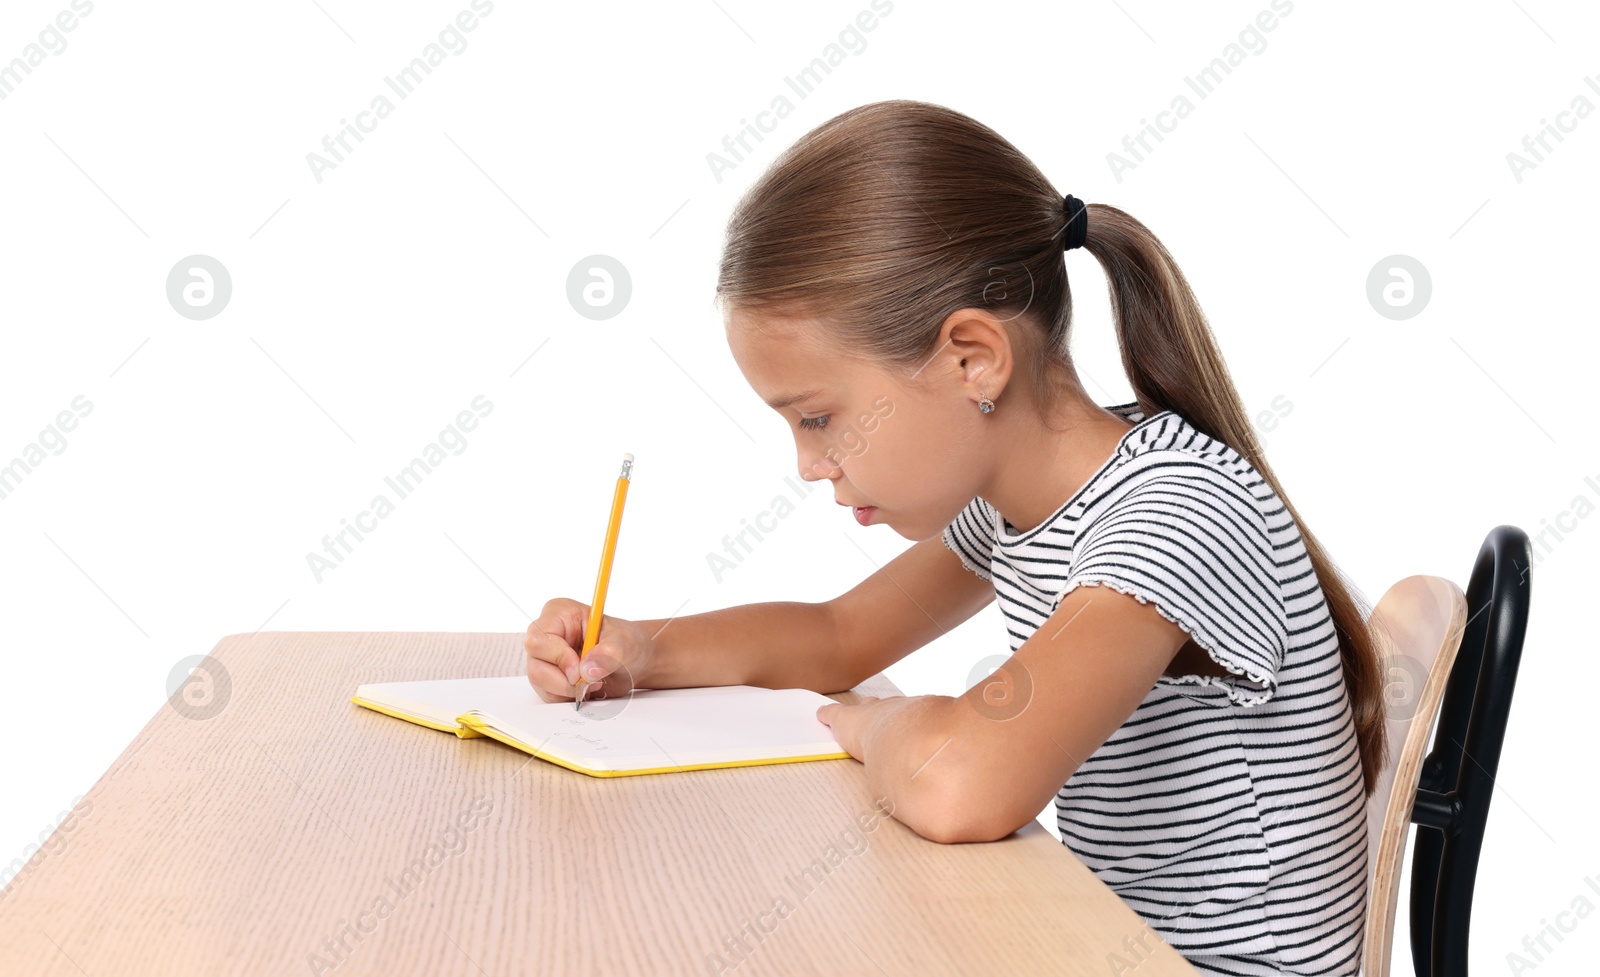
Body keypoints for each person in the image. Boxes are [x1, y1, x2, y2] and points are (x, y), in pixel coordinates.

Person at [523, 99, 1384, 975]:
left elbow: (960, 781)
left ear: (972, 358)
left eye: (820, 417)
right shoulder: (1028, 498)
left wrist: (877, 724)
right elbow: (837, 636)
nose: (810, 463)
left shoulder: (1175, 512)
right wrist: (636, 647)